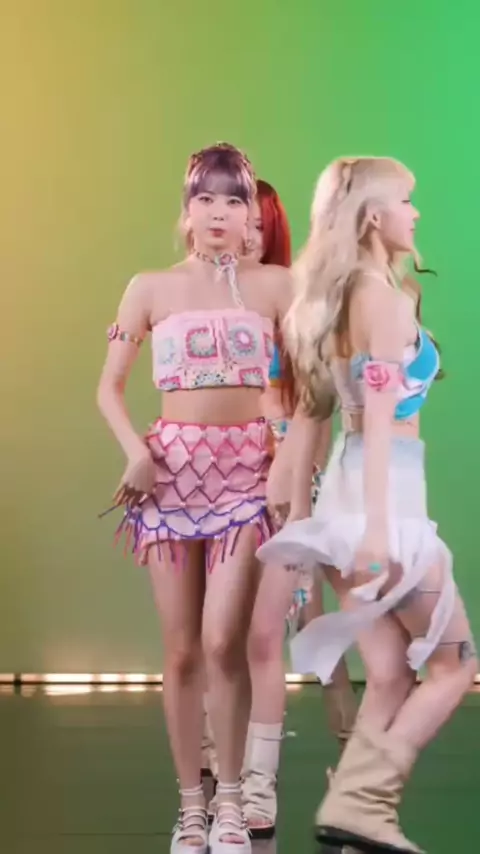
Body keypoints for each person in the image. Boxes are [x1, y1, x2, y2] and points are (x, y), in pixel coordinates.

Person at [256, 156, 477, 853]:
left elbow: (317, 415)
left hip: (352, 497)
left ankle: (353, 819)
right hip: (385, 500)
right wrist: (381, 529)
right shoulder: (381, 299)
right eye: (407, 201)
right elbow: (377, 420)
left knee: (387, 675)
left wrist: (305, 514)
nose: (416, 213)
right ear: (374, 216)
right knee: (456, 665)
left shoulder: (335, 298)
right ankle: (363, 804)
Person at [97, 143, 292, 854]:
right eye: (205, 198)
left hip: (246, 478)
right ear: (186, 212)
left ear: (250, 216)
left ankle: (232, 804)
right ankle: (191, 808)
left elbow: (308, 391)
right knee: (181, 652)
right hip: (171, 477)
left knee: (222, 642)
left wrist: (287, 463)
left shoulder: (278, 288)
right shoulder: (149, 288)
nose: (218, 212)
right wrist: (137, 453)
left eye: (233, 200)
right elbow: (108, 388)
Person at [203, 179, 357, 839]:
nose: (248, 238)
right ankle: (225, 763)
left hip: (293, 486)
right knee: (231, 631)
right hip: (236, 487)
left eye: (260, 228)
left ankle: (351, 768)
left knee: (309, 630)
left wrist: (300, 485)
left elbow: (316, 407)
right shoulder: (217, 306)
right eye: (244, 225)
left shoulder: (295, 307)